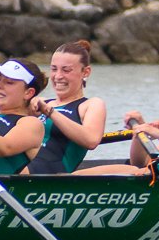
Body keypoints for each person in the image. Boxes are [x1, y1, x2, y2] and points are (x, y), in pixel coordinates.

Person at [27, 39, 108, 175]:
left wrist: (49, 112)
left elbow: (91, 140)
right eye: (54, 69)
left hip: (52, 174)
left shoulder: (91, 105)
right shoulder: (40, 102)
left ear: (86, 72)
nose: (58, 76)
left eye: (66, 70)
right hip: (24, 166)